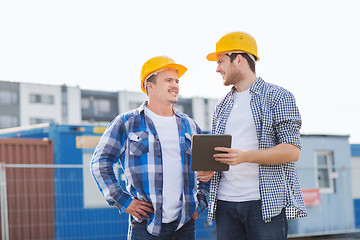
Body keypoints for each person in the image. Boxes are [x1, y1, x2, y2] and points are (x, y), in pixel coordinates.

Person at [197, 32, 307, 240]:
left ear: (238, 59)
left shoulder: (278, 97)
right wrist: (211, 168)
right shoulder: (221, 106)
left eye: (221, 61)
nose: (217, 68)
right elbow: (224, 153)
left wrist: (245, 156)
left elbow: (292, 151)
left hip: (263, 205)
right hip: (225, 205)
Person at [91, 56, 209, 240]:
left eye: (177, 81)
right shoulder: (127, 122)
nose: (175, 85)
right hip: (145, 226)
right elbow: (100, 163)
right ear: (150, 85)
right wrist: (124, 201)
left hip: (184, 226)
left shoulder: (191, 126)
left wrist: (200, 204)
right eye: (168, 80)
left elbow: (207, 170)